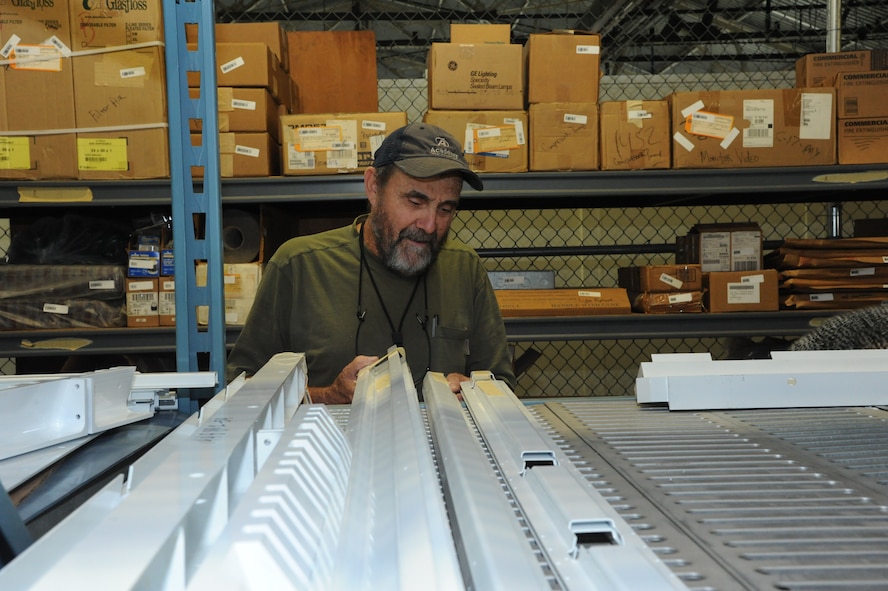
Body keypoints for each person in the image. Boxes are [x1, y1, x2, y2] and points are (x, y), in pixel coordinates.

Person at [226, 122, 517, 403]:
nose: (430, 225)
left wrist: (477, 392)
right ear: (373, 188)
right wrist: (328, 396)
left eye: (446, 208)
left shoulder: (464, 268)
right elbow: (240, 390)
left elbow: (501, 385)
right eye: (415, 202)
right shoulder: (299, 266)